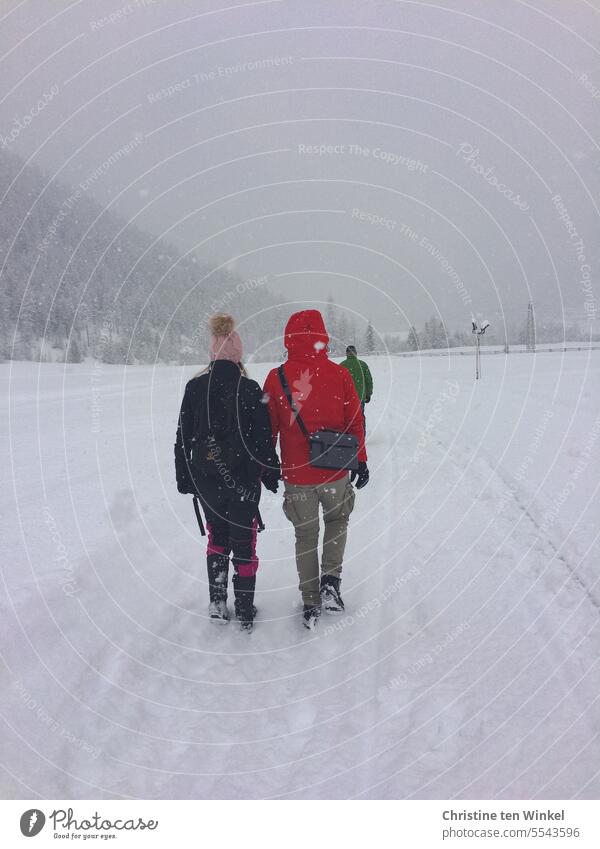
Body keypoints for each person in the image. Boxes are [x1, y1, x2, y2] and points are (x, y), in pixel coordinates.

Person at [263, 310, 369, 629]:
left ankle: (310, 600)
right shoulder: (340, 375)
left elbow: (267, 431)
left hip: (298, 476)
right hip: (336, 471)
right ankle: (330, 586)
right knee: (338, 520)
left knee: (305, 535)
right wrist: (360, 460)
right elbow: (356, 423)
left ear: (288, 338)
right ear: (323, 337)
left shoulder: (276, 377)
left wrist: (268, 467)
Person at [175, 314, 280, 632]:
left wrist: (184, 476)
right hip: (244, 482)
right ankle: (245, 609)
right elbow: (263, 440)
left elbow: (182, 437)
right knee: (244, 542)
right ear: (238, 356)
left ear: (212, 354)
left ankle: (218, 603)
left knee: (217, 538)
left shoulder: (194, 388)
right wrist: (272, 473)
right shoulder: (250, 389)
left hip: (206, 480)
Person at [339, 345, 373, 428]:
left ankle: (349, 437)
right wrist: (368, 394)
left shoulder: (341, 366)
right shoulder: (363, 365)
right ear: (356, 353)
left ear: (346, 354)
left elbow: (338, 383)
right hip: (360, 396)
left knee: (347, 418)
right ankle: (361, 437)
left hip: (347, 398)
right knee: (360, 417)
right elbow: (369, 381)